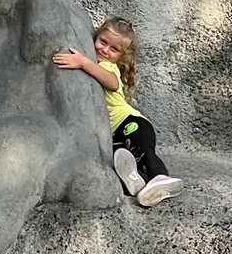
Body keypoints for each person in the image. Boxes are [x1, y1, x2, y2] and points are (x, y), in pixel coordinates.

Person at [52, 17, 183, 207]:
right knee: (117, 160)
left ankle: (160, 177)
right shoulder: (95, 69)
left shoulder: (105, 66)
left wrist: (83, 62)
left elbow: (112, 83)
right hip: (112, 135)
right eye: (102, 42)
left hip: (131, 123)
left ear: (121, 57)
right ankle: (138, 184)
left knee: (143, 153)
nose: (105, 50)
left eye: (114, 49)